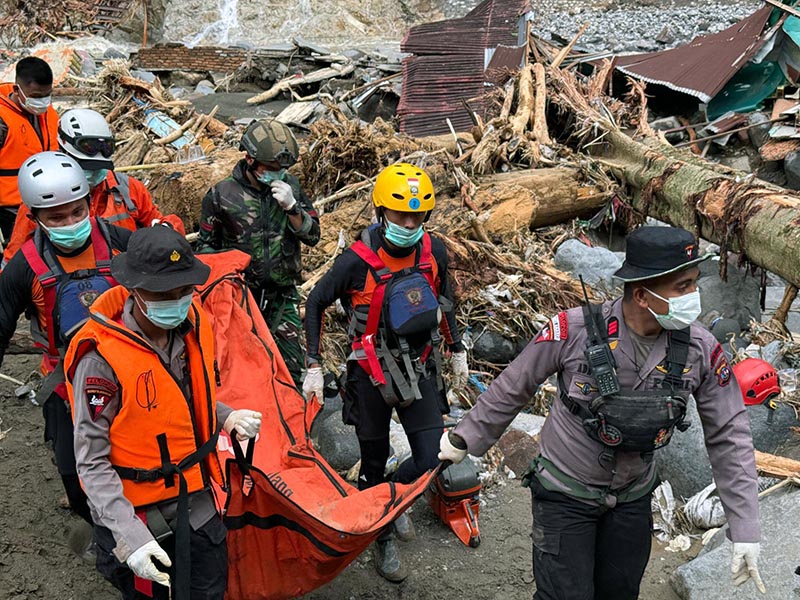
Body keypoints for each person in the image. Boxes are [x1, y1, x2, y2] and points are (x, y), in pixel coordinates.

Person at [439, 226, 765, 599]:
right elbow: (515, 384)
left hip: (633, 494)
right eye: (683, 286)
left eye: (694, 283)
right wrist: (464, 438)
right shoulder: (573, 330)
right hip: (565, 490)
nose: (695, 297)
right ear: (643, 295)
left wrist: (745, 527)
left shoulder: (700, 350)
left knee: (620, 591)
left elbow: (729, 432)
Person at [64, 226, 262, 600]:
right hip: (136, 510)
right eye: (162, 294)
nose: (175, 301)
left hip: (196, 498)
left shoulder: (192, 327)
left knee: (209, 589)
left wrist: (226, 416)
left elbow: (183, 398)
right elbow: (90, 461)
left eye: (183, 291)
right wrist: (129, 536)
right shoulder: (101, 362)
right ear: (135, 290)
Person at [304, 163, 469, 582]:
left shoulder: (433, 252)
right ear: (380, 211)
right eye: (400, 215)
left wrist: (456, 349)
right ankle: (381, 535)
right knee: (371, 462)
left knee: (435, 456)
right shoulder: (354, 262)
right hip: (371, 373)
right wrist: (313, 363)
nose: (409, 224)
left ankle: (395, 494)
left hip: (420, 368)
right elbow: (315, 303)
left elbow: (445, 301)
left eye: (417, 216)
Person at [0, 151, 132, 529]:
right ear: (35, 218)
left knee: (130, 462)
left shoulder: (122, 244)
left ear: (89, 203)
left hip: (126, 378)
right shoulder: (23, 268)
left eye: (77, 212)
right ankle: (91, 521)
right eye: (57, 217)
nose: (71, 223)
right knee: (74, 476)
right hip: (65, 386)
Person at [196, 119, 319, 385]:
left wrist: (293, 207)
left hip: (281, 295)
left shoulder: (291, 187)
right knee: (242, 372)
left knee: (290, 369)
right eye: (271, 168)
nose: (278, 173)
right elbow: (206, 250)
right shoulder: (222, 195)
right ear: (248, 159)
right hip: (240, 298)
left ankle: (294, 422)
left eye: (283, 168)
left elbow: (313, 236)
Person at [2, 108, 184, 263]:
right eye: (87, 167)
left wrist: (165, 230)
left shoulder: (128, 189)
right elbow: (14, 258)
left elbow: (156, 220)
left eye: (100, 167)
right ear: (64, 153)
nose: (95, 173)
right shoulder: (43, 199)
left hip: (125, 281)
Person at [0, 56, 59, 242]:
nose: (42, 101)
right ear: (17, 90)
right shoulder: (2, 120)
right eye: (36, 96)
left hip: (46, 199)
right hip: (11, 207)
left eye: (47, 95)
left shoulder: (49, 113)